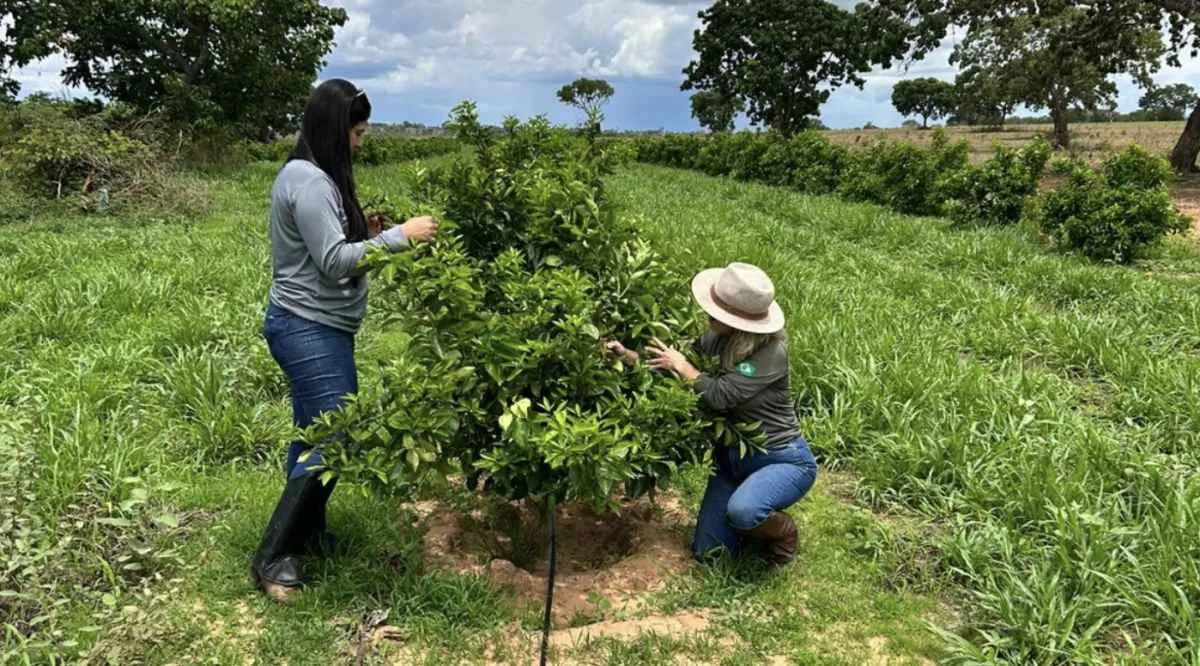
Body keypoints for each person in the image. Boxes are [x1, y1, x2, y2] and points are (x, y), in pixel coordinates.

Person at [250, 79, 439, 602]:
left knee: (314, 435)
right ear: (336, 130)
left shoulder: (310, 177)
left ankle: (304, 537)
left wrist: (366, 232)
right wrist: (398, 236)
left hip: (317, 327)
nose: (361, 141)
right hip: (307, 328)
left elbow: (326, 244)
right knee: (334, 437)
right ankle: (272, 557)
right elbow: (333, 261)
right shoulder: (309, 182)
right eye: (357, 131)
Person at [605, 262, 817, 566]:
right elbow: (672, 365)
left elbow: (720, 395)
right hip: (731, 461)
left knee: (744, 511)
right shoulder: (716, 340)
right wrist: (628, 356)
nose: (710, 314)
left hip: (780, 458)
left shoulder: (771, 354)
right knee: (710, 555)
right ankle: (747, 519)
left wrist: (685, 368)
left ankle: (781, 532)